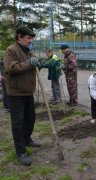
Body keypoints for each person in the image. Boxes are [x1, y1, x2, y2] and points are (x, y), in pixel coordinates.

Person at [3, 26, 41, 166]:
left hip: (27, 92)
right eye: (28, 38)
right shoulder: (11, 50)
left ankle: (26, 140)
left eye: (31, 38)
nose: (30, 41)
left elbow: (33, 64)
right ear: (19, 37)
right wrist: (29, 63)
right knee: (18, 123)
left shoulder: (28, 51)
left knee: (30, 119)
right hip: (16, 93)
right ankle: (21, 152)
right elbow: (11, 68)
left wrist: (37, 62)